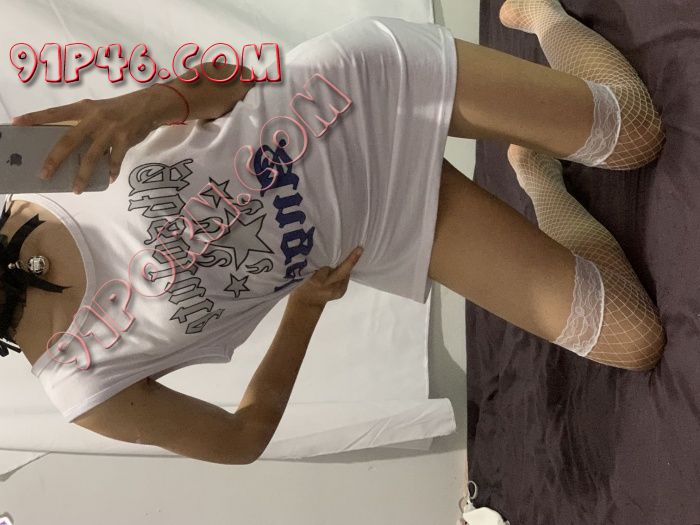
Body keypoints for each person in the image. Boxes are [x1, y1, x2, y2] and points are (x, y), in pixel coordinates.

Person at [1, 2, 665, 465]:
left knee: (635, 133)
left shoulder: (37, 172)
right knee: (634, 341)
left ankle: (541, 16)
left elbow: (239, 80)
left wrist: (149, 102)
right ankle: (539, 180)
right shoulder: (83, 387)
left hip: (352, 92)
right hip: (380, 224)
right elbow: (241, 438)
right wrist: (305, 310)